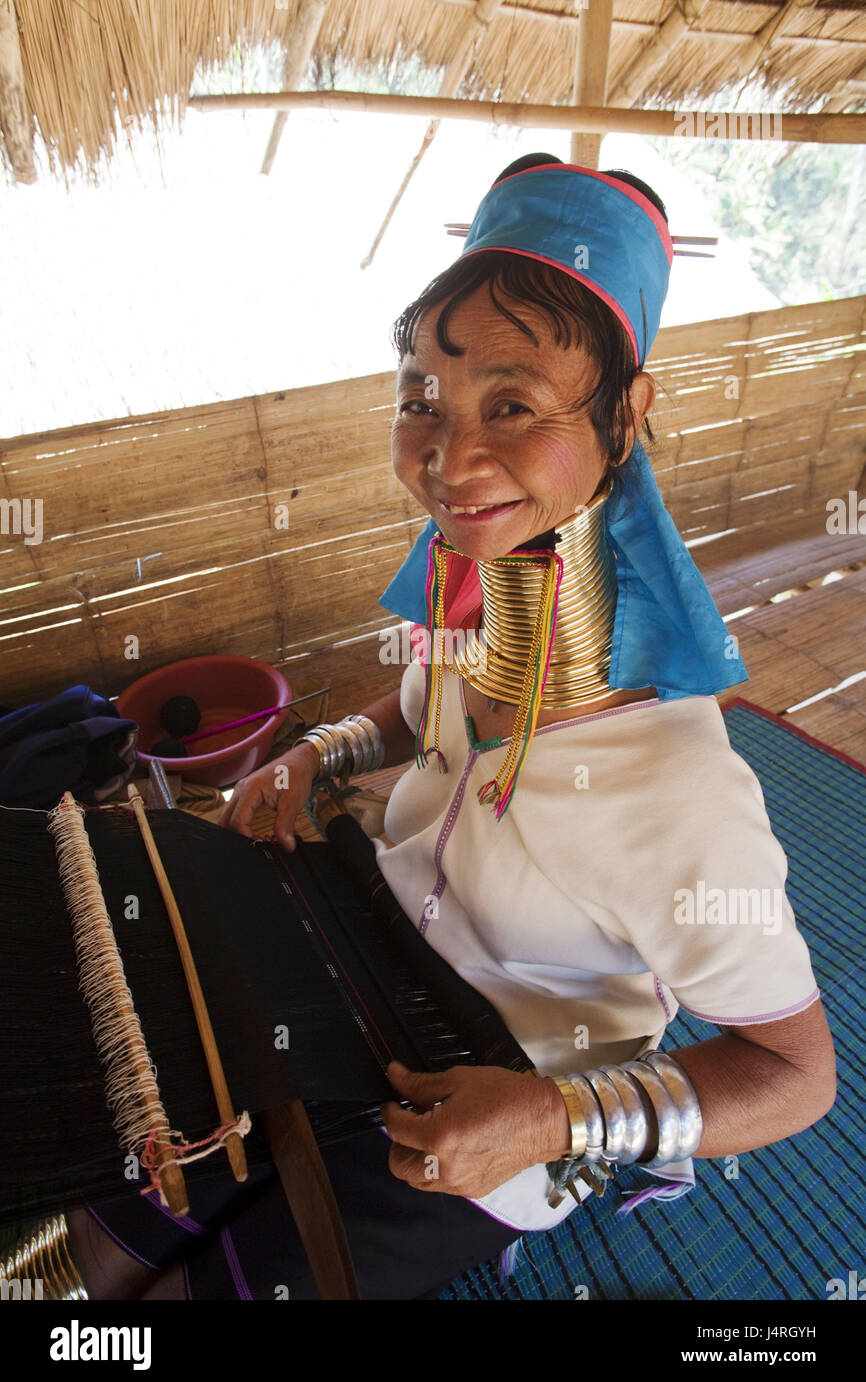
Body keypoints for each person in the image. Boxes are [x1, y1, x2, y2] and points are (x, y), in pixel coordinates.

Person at [70, 156, 835, 1298]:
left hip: (512, 1074)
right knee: (108, 1232)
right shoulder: (479, 598)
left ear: (625, 415)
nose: (445, 456)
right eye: (422, 396)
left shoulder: (674, 798)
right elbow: (422, 710)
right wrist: (316, 750)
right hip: (357, 937)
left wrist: (549, 1119)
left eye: (513, 404)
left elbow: (793, 1074)